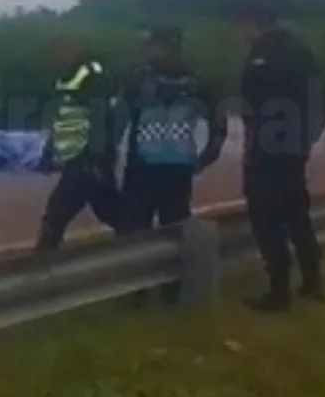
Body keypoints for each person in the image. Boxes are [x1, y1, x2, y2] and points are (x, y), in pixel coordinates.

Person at [231, 5, 325, 312]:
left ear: (253, 23)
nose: (240, 32)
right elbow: (323, 93)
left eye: (242, 25)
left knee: (266, 215)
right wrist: (311, 133)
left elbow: (252, 102)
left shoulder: (263, 55)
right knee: (296, 211)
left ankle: (279, 291)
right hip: (295, 145)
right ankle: (312, 282)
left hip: (268, 147)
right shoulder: (301, 51)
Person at [119, 25, 228, 234]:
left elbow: (118, 119)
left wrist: (105, 156)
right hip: (179, 164)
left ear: (159, 46)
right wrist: (207, 157)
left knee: (134, 226)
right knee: (176, 224)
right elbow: (219, 123)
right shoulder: (196, 79)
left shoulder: (138, 78)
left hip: (142, 165)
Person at [33, 35, 123, 252]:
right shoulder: (65, 78)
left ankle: (43, 263)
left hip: (89, 158)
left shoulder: (92, 75)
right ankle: (141, 244)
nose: (54, 58)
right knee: (109, 211)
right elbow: (64, 118)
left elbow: (103, 117)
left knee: (57, 213)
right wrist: (49, 151)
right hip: (77, 157)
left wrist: (96, 158)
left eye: (59, 51)